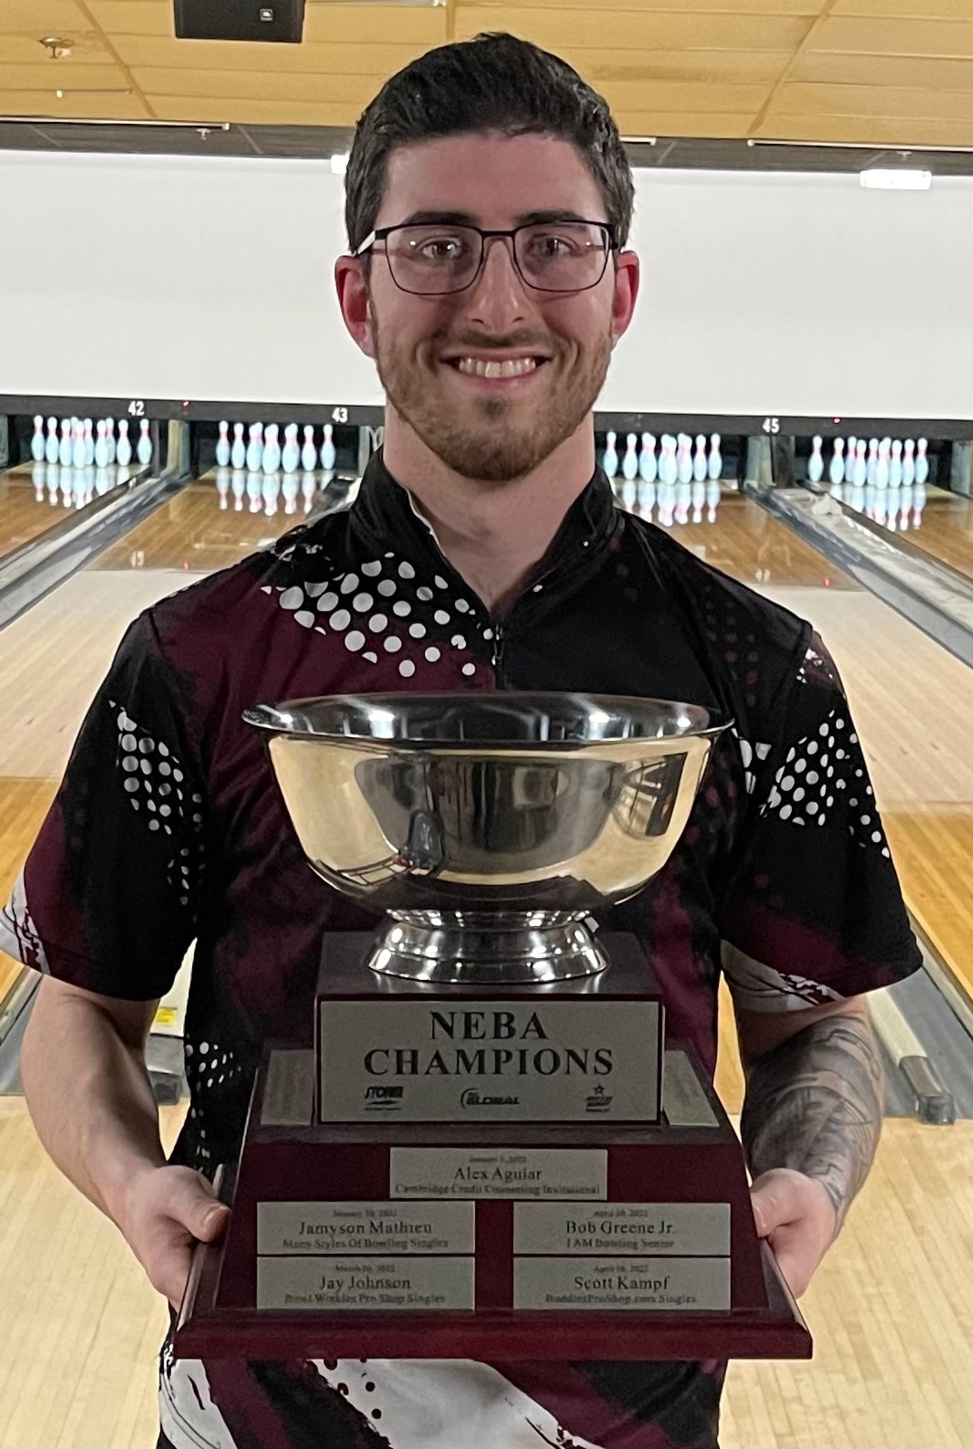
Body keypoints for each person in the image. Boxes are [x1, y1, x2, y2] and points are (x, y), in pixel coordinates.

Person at [2, 32, 921, 1449]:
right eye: (434, 243)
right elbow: (82, 1005)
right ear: (355, 294)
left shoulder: (755, 665)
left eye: (551, 243)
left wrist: (808, 1177)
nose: (496, 296)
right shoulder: (196, 658)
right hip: (263, 1411)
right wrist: (134, 1180)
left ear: (616, 289)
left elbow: (816, 1021)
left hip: (628, 1412)